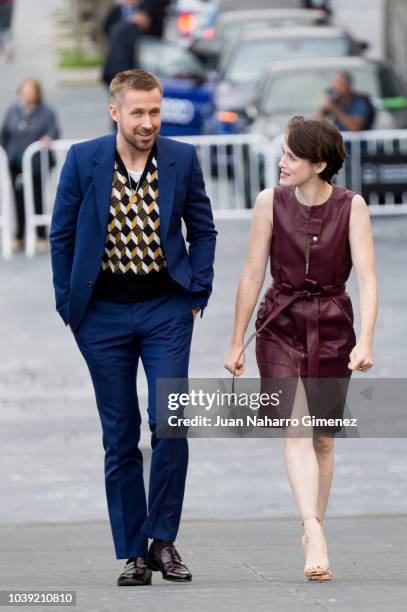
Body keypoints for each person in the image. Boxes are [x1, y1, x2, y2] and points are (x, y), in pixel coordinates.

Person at [50, 69, 216, 585]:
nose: (149, 122)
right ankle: (132, 552)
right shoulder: (83, 160)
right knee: (119, 435)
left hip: (166, 309)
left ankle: (163, 540)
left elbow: (203, 229)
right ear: (115, 112)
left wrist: (197, 291)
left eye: (155, 111)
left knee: (171, 421)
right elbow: (62, 235)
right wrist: (70, 309)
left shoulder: (181, 159)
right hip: (102, 316)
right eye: (138, 112)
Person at [224, 116, 378, 581]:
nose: (281, 162)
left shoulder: (353, 207)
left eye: (291, 156)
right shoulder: (268, 202)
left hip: (334, 324)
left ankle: (314, 525)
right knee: (295, 428)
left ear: (320, 164)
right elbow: (252, 273)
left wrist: (366, 340)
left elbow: (368, 278)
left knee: (323, 439)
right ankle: (313, 532)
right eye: (283, 153)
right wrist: (237, 340)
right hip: (280, 323)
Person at [0, 78, 60, 251]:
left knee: (37, 196)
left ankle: (41, 234)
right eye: (24, 91)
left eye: (30, 91)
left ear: (37, 93)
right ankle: (20, 235)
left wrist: (48, 139)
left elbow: (53, 131)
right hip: (16, 162)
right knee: (18, 198)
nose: (27, 95)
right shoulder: (13, 110)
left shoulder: (46, 112)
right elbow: (4, 133)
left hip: (38, 163)